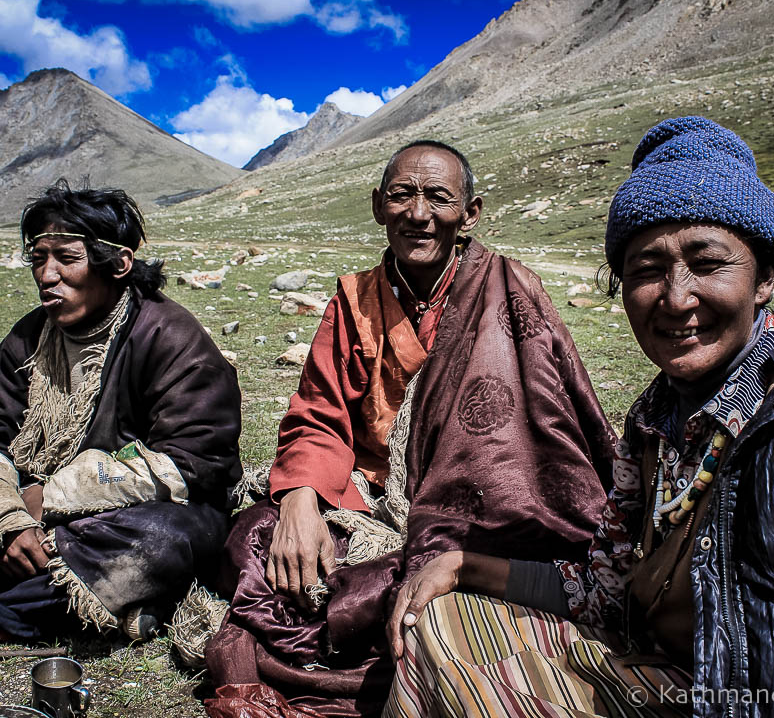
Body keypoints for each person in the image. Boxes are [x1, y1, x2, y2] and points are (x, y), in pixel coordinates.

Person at [382, 117, 774, 717]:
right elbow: (610, 592)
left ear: (764, 280)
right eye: (647, 270)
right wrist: (462, 563)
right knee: (438, 622)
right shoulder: (655, 422)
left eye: (707, 264)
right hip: (676, 673)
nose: (677, 299)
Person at [204, 141, 617, 717]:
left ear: (469, 213)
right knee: (256, 538)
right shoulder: (354, 301)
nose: (418, 214)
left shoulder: (510, 289)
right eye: (401, 195)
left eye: (438, 198)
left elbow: (551, 411)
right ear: (378, 206)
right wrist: (300, 501)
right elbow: (320, 410)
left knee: (400, 587)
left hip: (478, 510)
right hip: (370, 501)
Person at [0, 180, 242, 646]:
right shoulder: (29, 337)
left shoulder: (170, 337)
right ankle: (108, 603)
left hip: (132, 517)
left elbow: (195, 462)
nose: (46, 275)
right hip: (36, 521)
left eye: (66, 257)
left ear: (118, 263)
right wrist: (6, 521)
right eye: (38, 258)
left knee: (167, 540)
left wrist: (56, 495)